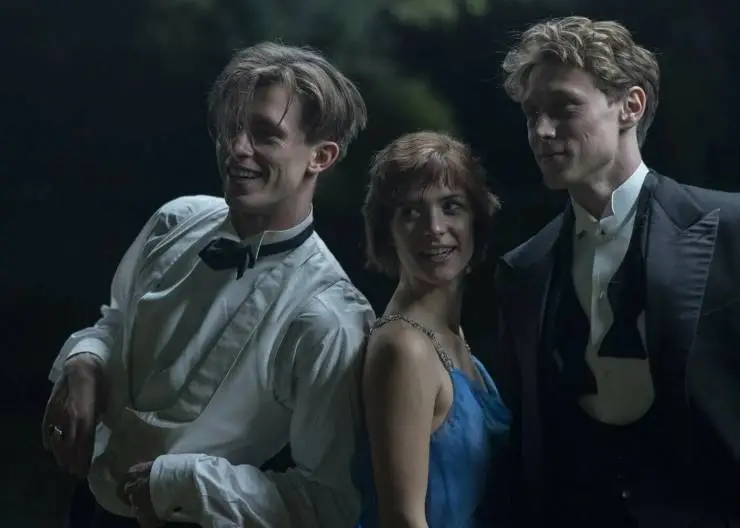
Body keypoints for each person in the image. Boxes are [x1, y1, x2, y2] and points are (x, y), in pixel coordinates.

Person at [41, 41, 375, 528]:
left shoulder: (330, 317)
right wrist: (84, 362)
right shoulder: (175, 219)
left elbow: (330, 503)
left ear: (320, 157)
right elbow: (115, 322)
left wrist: (189, 483)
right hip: (83, 504)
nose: (236, 148)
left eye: (264, 134)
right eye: (231, 127)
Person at [493, 15, 740, 527]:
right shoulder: (524, 270)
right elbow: (527, 441)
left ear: (630, 106)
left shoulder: (730, 229)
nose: (542, 131)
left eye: (564, 108)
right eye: (532, 113)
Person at [353, 131, 511, 528]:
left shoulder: (448, 335)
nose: (435, 227)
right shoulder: (404, 348)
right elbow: (402, 521)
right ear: (388, 232)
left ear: (475, 220)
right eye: (411, 212)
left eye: (451, 206)